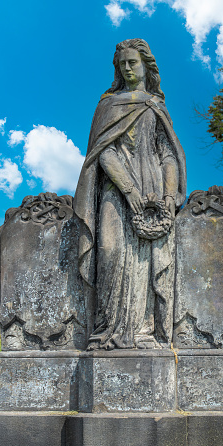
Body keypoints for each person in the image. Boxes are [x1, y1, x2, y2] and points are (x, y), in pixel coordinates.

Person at [73, 39, 186, 350]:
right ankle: (107, 330)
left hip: (152, 189)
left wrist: (167, 195)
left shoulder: (155, 106)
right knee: (109, 253)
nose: (126, 68)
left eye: (132, 62)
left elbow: (167, 154)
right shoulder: (108, 105)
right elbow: (102, 152)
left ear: (145, 65)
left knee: (148, 262)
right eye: (121, 63)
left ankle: (144, 333)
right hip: (116, 189)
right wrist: (129, 189)